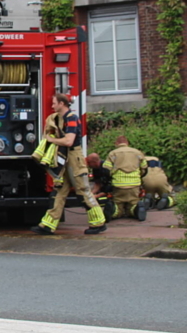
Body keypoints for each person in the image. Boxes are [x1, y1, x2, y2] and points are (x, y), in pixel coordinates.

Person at [31, 93, 106, 236]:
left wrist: (51, 140)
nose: (52, 106)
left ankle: (98, 223)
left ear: (62, 104)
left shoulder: (72, 119)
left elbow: (68, 141)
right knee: (59, 191)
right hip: (63, 157)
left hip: (73, 158)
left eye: (54, 103)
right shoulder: (58, 119)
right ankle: (47, 225)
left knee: (83, 190)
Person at [104, 135, 148, 220]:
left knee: (118, 204)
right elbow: (145, 169)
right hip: (134, 185)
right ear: (127, 143)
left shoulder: (113, 153)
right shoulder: (137, 152)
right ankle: (136, 209)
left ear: (116, 143)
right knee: (133, 203)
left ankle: (113, 210)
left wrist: (110, 178)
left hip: (118, 185)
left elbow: (106, 170)